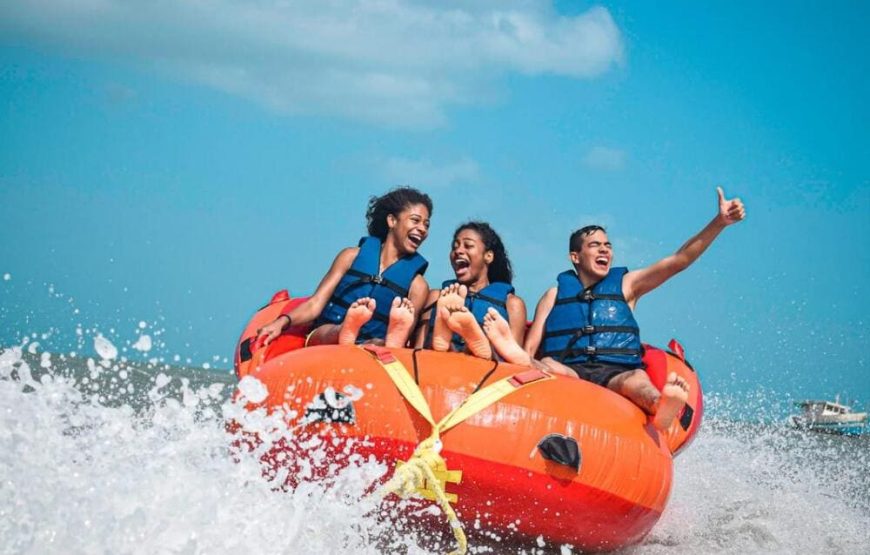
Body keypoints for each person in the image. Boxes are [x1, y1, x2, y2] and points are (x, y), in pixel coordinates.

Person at [483, 187, 745, 430]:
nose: (605, 250)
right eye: (595, 245)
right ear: (575, 256)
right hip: (572, 371)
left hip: (618, 370)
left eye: (608, 246)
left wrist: (719, 222)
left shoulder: (627, 285)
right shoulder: (554, 295)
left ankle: (661, 406)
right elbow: (532, 345)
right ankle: (512, 353)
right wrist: (525, 361)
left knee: (637, 382)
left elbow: (679, 260)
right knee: (548, 364)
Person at [258, 187, 432, 349]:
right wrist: (282, 322)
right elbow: (315, 304)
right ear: (392, 220)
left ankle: (387, 341)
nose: (422, 229)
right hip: (327, 336)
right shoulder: (350, 257)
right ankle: (347, 329)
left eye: (426, 224)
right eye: (415, 220)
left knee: (378, 343)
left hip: (372, 346)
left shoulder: (418, 286)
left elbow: (408, 331)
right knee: (327, 332)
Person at [414, 221, 526, 360]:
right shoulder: (437, 296)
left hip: (488, 369)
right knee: (440, 349)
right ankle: (444, 339)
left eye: (468, 245)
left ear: (488, 256)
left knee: (495, 353)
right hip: (440, 365)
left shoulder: (512, 304)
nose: (458, 251)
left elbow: (515, 359)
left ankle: (476, 345)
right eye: (455, 247)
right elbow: (418, 349)